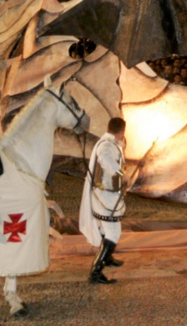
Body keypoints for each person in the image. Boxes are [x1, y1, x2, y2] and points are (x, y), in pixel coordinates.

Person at [79, 117, 128, 284]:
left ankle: (107, 258)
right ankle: (95, 272)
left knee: (108, 230)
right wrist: (122, 175)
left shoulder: (108, 142)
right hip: (104, 197)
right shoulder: (106, 145)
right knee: (114, 233)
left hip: (105, 194)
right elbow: (106, 161)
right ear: (121, 132)